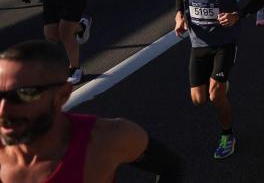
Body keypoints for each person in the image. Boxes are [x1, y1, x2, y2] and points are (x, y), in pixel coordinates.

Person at [0, 40, 183, 180]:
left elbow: (171, 167)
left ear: (62, 95)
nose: (3, 109)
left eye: (24, 94)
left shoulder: (106, 139)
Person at [175, 0, 264, 159]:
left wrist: (238, 15)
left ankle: (227, 134)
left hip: (225, 41)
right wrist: (179, 16)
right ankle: (220, 83)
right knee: (198, 100)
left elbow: (256, 0)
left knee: (215, 95)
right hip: (199, 44)